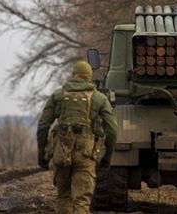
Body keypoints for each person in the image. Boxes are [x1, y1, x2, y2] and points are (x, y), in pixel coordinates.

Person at [37, 60, 118, 214]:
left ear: (73, 75)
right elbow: (112, 129)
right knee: (81, 200)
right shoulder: (99, 98)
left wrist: (42, 155)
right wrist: (107, 157)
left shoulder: (57, 95)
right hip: (85, 153)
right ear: (89, 77)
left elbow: (42, 126)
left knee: (63, 196)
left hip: (61, 152)